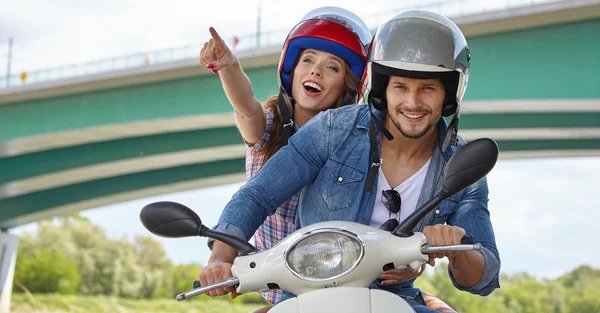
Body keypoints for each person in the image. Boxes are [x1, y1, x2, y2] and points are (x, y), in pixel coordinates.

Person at [201, 9, 488, 313]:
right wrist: (220, 258)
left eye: (428, 88)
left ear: (448, 95)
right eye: (400, 87)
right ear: (382, 90)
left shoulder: (462, 164)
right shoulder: (332, 129)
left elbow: (481, 276)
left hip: (397, 299)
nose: (413, 102)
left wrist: (457, 248)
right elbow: (257, 195)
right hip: (304, 294)